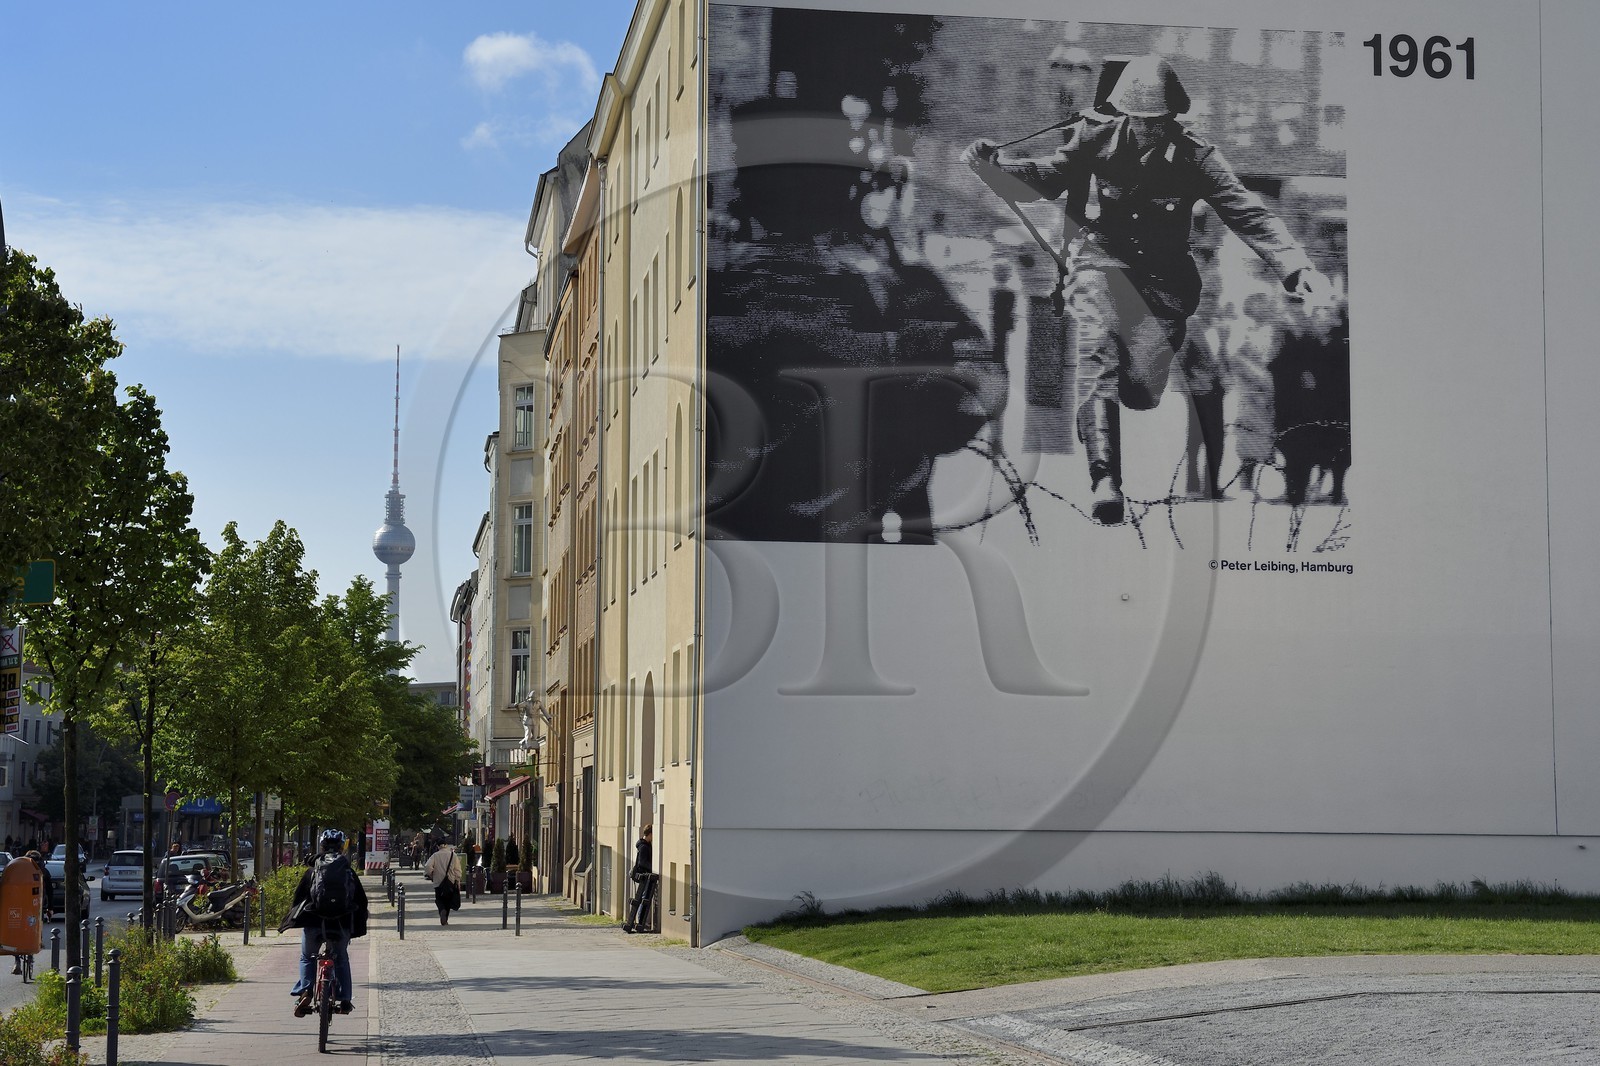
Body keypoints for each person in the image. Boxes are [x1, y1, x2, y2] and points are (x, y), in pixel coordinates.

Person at [965, 54, 1327, 524]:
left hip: (1164, 287)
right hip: (1104, 263)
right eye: (1140, 119)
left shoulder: (1196, 155)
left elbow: (1246, 212)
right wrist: (994, 168)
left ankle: (1125, 414)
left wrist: (1296, 266)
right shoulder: (1095, 138)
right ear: (1125, 113)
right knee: (1097, 356)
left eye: (1158, 121)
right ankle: (1105, 480)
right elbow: (1047, 179)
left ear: (1173, 117)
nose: (1148, 130)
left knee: (1140, 392)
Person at [287, 829, 368, 1016]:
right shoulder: (348, 871)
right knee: (341, 958)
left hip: (315, 923)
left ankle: (306, 990)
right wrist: (357, 925)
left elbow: (298, 898)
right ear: (342, 847)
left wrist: (291, 919)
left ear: (321, 847)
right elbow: (361, 901)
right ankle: (345, 999)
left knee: (307, 957)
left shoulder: (312, 870)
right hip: (340, 924)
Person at [621, 825, 658, 934]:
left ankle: (641, 921)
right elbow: (642, 862)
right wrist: (653, 867)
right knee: (643, 898)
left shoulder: (644, 845)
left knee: (643, 898)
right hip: (643, 875)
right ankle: (641, 921)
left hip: (644, 875)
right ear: (650, 834)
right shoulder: (644, 847)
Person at [423, 840, 461, 925]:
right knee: (448, 900)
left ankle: (441, 910)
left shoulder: (435, 855)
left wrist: (431, 874)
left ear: (437, 846)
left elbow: (428, 866)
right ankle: (445, 918)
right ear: (446, 845)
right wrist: (457, 880)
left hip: (438, 881)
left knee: (439, 899)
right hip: (450, 881)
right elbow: (457, 870)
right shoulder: (453, 855)